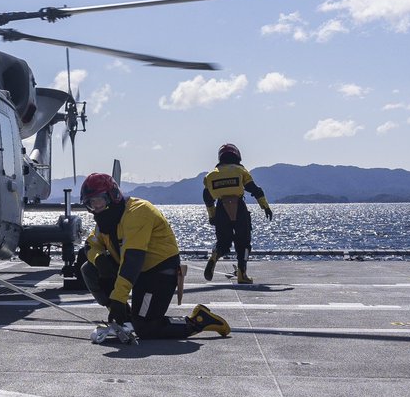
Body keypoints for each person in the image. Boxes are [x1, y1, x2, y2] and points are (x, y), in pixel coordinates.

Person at [78, 172, 230, 340]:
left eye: (99, 200)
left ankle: (198, 320)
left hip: (158, 272)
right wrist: (100, 260)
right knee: (89, 269)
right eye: (91, 203)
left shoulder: (137, 212)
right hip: (138, 272)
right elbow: (90, 244)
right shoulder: (106, 221)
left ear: (112, 196)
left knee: (146, 328)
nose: (96, 207)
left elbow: (132, 261)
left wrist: (118, 299)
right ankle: (124, 318)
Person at [202, 143, 273, 285]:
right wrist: (265, 207)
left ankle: (215, 255)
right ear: (237, 155)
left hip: (221, 208)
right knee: (244, 243)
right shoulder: (240, 171)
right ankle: (242, 274)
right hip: (239, 208)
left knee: (223, 242)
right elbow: (255, 190)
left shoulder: (210, 176)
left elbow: (207, 197)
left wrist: (212, 216)